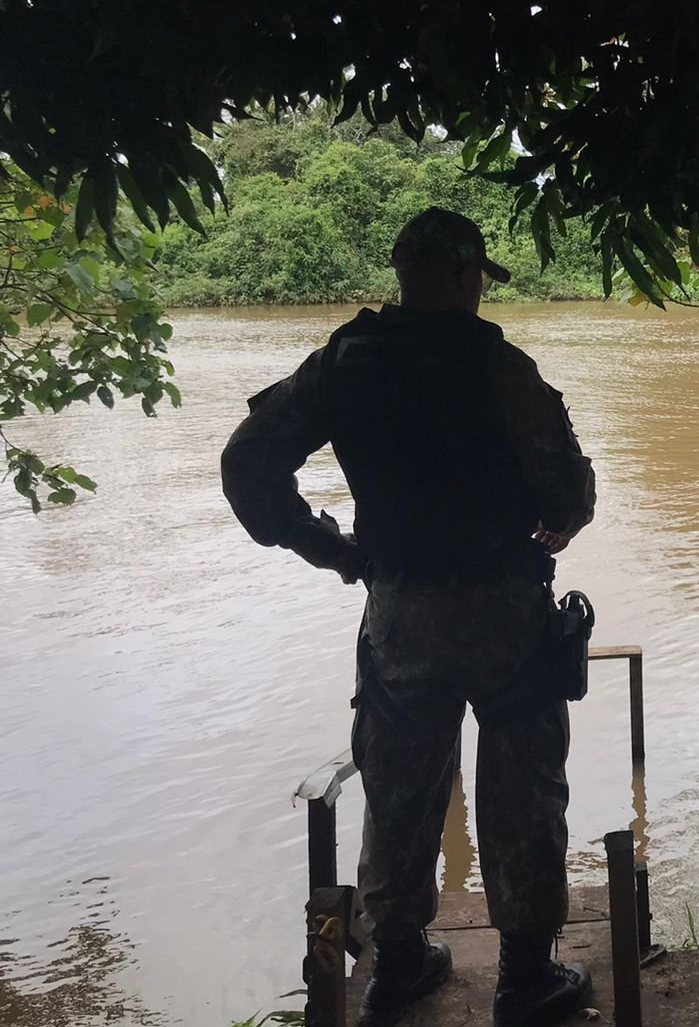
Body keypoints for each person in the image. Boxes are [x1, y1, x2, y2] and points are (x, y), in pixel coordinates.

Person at [220, 208, 597, 1027]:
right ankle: (525, 980)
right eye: (474, 278)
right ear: (465, 278)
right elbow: (571, 495)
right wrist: (557, 520)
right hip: (505, 617)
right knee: (522, 793)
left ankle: (396, 967)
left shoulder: (343, 366)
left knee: (398, 789)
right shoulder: (505, 370)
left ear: (401, 274)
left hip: (399, 615)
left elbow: (247, 463)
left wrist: (332, 550)